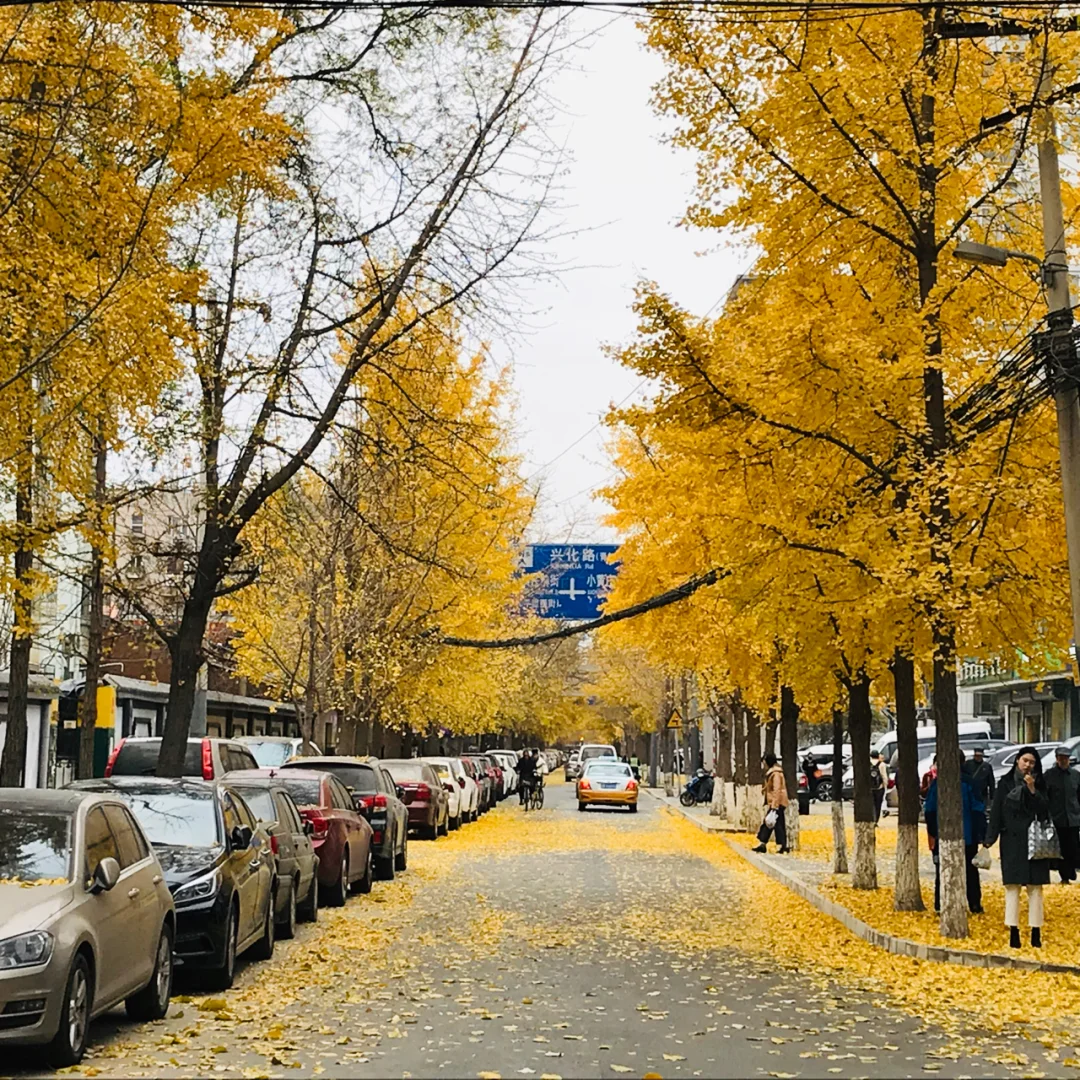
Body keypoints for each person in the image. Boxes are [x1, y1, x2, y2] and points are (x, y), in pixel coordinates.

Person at [985, 746, 1052, 949]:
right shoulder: (1005, 783)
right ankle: (1013, 930)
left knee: (1035, 889)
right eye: (1025, 761)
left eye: (1032, 762)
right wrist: (989, 838)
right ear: (1017, 761)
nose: (1027, 765)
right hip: (1012, 841)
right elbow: (997, 811)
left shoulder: (1040, 784)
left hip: (1034, 842)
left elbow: (1045, 809)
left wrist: (1032, 790)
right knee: (1012, 887)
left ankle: (1035, 931)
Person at [924, 760, 984, 914]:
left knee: (943, 870)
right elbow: (978, 808)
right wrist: (980, 832)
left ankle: (940, 904)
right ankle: (975, 904)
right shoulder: (969, 782)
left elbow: (929, 809)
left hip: (944, 836)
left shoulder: (939, 783)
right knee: (970, 870)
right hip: (968, 836)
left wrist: (934, 832)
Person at [1045, 747, 1080, 884]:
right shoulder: (1049, 775)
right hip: (1057, 819)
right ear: (1057, 759)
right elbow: (1045, 797)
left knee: (1073, 847)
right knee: (1060, 849)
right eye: (1061, 758)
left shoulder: (1075, 775)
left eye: (1066, 758)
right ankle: (1065, 875)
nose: (1063, 760)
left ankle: (1071, 870)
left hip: (1073, 818)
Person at [752, 753, 789, 854]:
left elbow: (777, 789)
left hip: (777, 803)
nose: (763, 764)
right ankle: (765, 844)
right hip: (777, 802)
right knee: (771, 824)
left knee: (774, 824)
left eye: (764, 761)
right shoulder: (774, 772)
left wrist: (774, 805)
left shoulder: (775, 773)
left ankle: (781, 845)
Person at [963, 746, 996, 822]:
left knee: (981, 812)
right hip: (970, 792)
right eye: (976, 756)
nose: (978, 758)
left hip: (982, 793)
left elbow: (991, 781)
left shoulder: (987, 766)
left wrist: (992, 796)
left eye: (980, 756)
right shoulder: (968, 764)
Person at [870, 751, 889, 823]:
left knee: (871, 805)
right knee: (878, 805)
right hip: (879, 788)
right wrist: (885, 786)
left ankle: (871, 819)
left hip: (870, 788)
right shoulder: (882, 764)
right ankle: (876, 820)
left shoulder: (867, 763)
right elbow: (884, 776)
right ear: (878, 756)